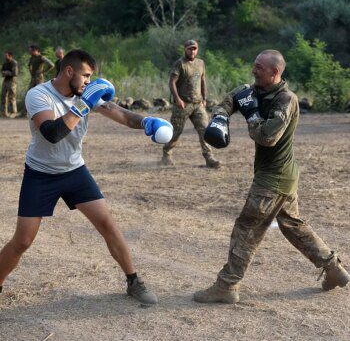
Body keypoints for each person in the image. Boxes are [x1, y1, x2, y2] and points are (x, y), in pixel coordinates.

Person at [0, 49, 173, 305]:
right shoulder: (39, 94)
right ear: (69, 71)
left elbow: (121, 113)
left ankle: (134, 281)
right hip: (41, 174)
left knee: (107, 225)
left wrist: (147, 121)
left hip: (74, 171)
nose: (88, 82)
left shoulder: (85, 94)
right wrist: (84, 105)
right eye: (86, 76)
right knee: (23, 240)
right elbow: (52, 132)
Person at [194, 49, 350, 304]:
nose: (254, 71)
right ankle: (333, 268)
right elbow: (232, 98)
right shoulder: (255, 89)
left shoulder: (286, 100)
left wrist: (252, 116)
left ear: (275, 72)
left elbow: (267, 137)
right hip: (281, 176)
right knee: (294, 227)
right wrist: (221, 116)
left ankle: (227, 285)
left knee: (246, 229)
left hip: (273, 178)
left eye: (259, 68)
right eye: (254, 65)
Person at [161, 39, 221, 168]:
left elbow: (203, 80)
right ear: (185, 49)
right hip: (183, 104)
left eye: (194, 48)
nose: (192, 51)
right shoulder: (180, 64)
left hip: (198, 104)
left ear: (197, 49)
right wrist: (177, 99)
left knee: (205, 130)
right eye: (189, 49)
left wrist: (204, 98)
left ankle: (209, 157)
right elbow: (172, 82)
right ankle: (167, 153)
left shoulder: (200, 63)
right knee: (176, 131)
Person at [1, 51, 19, 118]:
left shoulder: (14, 63)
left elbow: (15, 73)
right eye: (5, 56)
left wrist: (7, 72)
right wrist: (4, 73)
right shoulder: (5, 63)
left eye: (6, 56)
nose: (5, 57)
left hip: (12, 81)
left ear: (10, 56)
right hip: (5, 80)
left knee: (12, 97)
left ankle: (13, 112)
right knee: (3, 96)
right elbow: (2, 71)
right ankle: (3, 112)